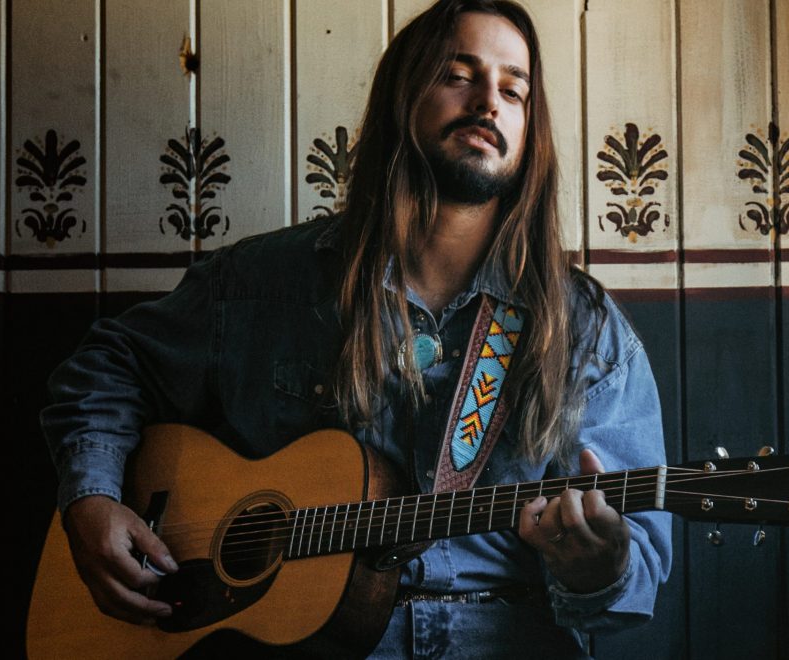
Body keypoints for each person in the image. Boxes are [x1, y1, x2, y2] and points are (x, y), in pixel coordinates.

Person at [41, 0, 671, 656]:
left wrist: (599, 565)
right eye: (460, 76)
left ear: (530, 131)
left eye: (514, 90)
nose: (489, 101)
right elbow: (114, 361)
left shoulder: (583, 330)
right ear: (405, 98)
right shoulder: (266, 281)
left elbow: (634, 588)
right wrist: (91, 499)